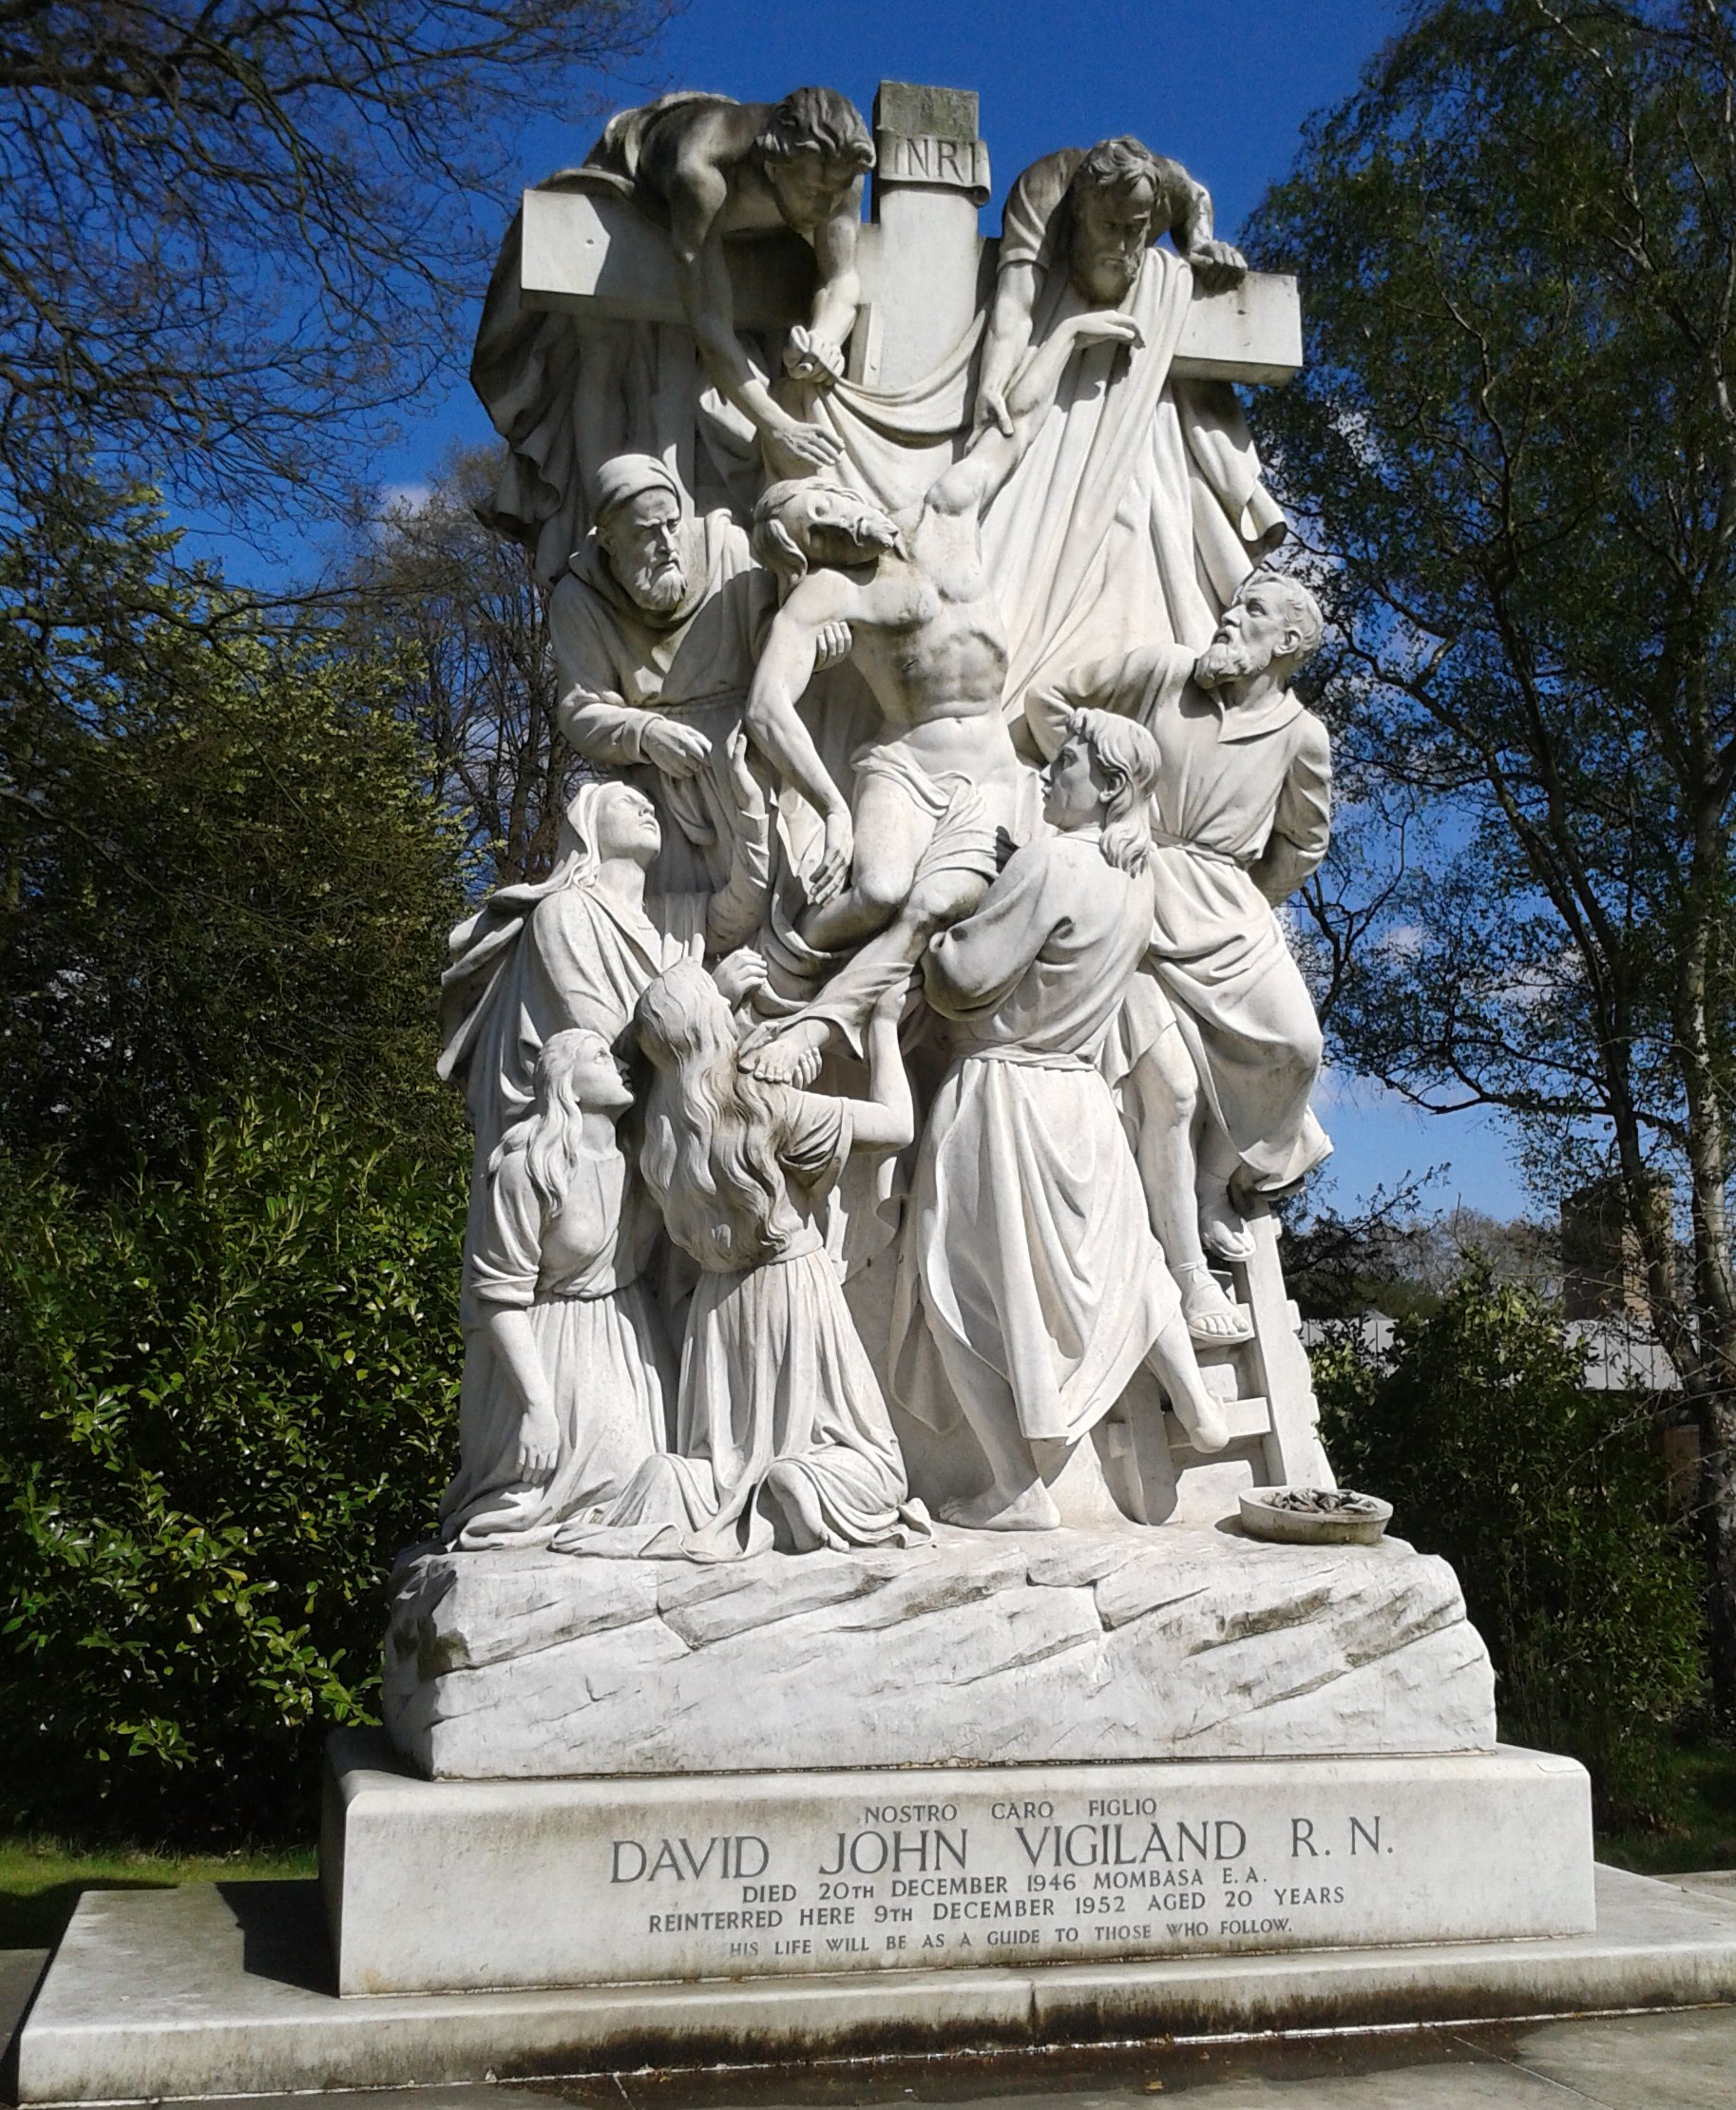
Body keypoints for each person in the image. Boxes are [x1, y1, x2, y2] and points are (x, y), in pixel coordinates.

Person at [734, 307, 1143, 1080]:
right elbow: (764, 707)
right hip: (906, 765)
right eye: (812, 527)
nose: (832, 520)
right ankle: (780, 964)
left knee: (934, 908)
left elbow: (1014, 426)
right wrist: (827, 804)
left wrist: (1066, 336)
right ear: (806, 552)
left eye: (823, 502)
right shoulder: (828, 597)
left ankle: (814, 1034)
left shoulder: (950, 512)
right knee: (881, 890)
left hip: (992, 773)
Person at [891, 711, 1230, 1533]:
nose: (1047, 775)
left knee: (948, 1285)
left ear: (1109, 785)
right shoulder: (1136, 876)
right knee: (1124, 1264)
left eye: (1065, 762)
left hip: (1006, 1096)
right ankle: (1194, 1397)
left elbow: (964, 977)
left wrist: (935, 934)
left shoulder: (1050, 862)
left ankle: (1015, 1487)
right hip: (1080, 1097)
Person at [1023, 569, 1333, 1305]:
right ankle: (1176, 1267)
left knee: (1297, 1048)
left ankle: (1211, 1179)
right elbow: (1050, 703)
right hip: (1132, 880)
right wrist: (1110, 811)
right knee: (1169, 1086)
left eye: (1251, 610)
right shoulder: (1164, 673)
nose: (1229, 617)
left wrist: (1249, 896)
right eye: (1233, 603)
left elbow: (1304, 841)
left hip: (1226, 906)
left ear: (1287, 641)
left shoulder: (1301, 736)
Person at [622, 962, 929, 1560]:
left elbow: (683, 1060)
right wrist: (885, 1027)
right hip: (791, 1290)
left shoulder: (655, 1127)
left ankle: (726, 1493)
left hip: (718, 1308)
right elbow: (896, 1126)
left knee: (724, 1458)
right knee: (877, 1466)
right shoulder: (765, 1105)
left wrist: (727, 1008)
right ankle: (807, 1483)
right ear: (714, 1024)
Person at [972, 136, 1286, 701]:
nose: (1122, 244)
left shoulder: (1167, 187)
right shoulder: (1043, 194)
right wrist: (995, 379)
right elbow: (1016, 302)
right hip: (1056, 374)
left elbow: (1197, 203)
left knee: (1148, 506)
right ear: (1081, 212)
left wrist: (1202, 245)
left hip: (1138, 381)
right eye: (1108, 227)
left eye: (1134, 229)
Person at [441, 1030, 676, 1550]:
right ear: (564, 1080)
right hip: (553, 1348)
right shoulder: (529, 1166)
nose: (619, 1064)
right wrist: (537, 1408)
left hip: (631, 1337)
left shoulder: (641, 1158)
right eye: (601, 1055)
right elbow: (500, 1294)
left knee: (649, 1478)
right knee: (566, 1495)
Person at [588, 87, 874, 473]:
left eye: (833, 195)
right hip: (641, 177)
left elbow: (842, 277)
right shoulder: (703, 172)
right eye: (811, 193)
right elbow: (708, 320)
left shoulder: (838, 175)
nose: (825, 209)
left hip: (746, 214)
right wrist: (777, 426)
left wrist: (825, 338)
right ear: (774, 168)